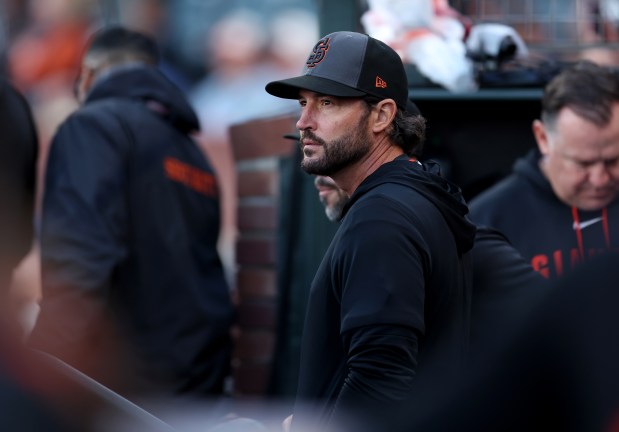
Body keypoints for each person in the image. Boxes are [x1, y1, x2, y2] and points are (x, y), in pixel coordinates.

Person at [265, 31, 476, 432]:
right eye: (303, 103)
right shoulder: (405, 198)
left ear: (381, 116)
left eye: (327, 103)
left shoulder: (383, 216)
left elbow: (379, 379)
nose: (304, 122)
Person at [28, 26, 236, 402]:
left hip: (119, 392)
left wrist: (39, 376)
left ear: (88, 76)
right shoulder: (193, 154)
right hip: (196, 384)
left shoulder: (93, 127)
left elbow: (78, 267)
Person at [469, 61, 619, 279]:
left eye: (613, 161)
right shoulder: (486, 222)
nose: (600, 179)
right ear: (543, 138)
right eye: (583, 164)